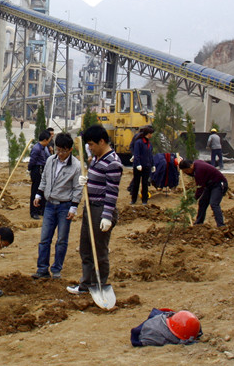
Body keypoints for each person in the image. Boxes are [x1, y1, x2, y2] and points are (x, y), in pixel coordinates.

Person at [68, 124, 123, 296]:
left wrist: (107, 216)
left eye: (91, 144)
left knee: (99, 249)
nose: (90, 148)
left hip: (101, 210)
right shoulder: (98, 159)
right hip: (90, 208)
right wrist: (88, 181)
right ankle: (86, 284)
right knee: (85, 247)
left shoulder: (113, 162)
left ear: (102, 142)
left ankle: (100, 284)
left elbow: (112, 192)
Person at [32, 132, 82, 279]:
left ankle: (56, 269)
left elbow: (77, 188)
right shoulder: (50, 161)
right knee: (44, 239)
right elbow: (44, 179)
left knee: (61, 240)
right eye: (58, 149)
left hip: (64, 206)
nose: (59, 153)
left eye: (63, 151)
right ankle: (42, 269)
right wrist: (38, 194)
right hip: (49, 205)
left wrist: (74, 207)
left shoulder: (76, 166)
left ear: (70, 150)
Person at [178, 159, 227, 227]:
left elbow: (200, 188)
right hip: (209, 185)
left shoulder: (199, 170)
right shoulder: (195, 165)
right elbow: (194, 176)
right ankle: (199, 223)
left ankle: (221, 225)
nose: (186, 173)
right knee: (202, 202)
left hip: (218, 184)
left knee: (214, 204)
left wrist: (193, 199)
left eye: (186, 171)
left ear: (191, 166)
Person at [28, 130, 52, 219]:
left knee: (42, 190)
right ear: (45, 140)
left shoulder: (44, 148)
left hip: (43, 170)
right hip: (37, 170)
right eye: (48, 140)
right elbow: (32, 161)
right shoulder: (36, 148)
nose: (49, 142)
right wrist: (30, 170)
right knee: (35, 191)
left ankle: (40, 209)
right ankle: (33, 211)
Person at [129, 125, 154, 205]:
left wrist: (152, 164)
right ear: (148, 134)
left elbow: (150, 155)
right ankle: (133, 200)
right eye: (151, 133)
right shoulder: (139, 142)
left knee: (145, 184)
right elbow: (136, 154)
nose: (152, 135)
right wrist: (138, 164)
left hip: (147, 166)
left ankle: (144, 200)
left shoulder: (149, 143)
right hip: (138, 167)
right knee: (136, 183)